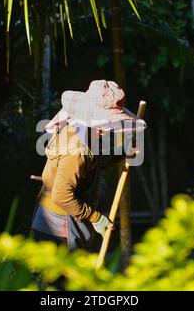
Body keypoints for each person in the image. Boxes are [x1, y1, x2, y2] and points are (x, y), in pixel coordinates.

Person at [30, 80, 146, 252]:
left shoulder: (82, 129)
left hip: (62, 223)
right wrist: (95, 217)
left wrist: (123, 153)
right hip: (57, 231)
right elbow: (61, 195)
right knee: (63, 279)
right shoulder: (77, 151)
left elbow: (96, 163)